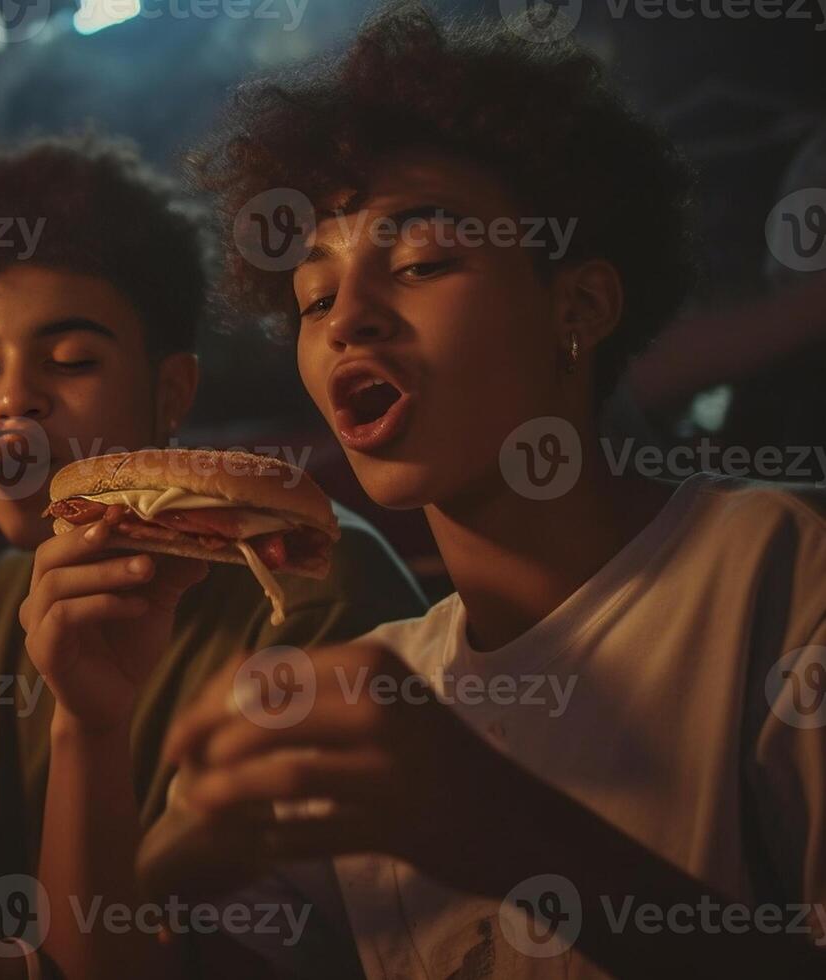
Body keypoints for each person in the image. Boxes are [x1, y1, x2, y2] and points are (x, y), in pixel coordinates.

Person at [166, 4, 826, 977]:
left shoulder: (775, 574)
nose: (348, 317)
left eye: (424, 261)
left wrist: (500, 825)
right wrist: (92, 729)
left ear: (581, 305)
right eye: (312, 297)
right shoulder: (374, 689)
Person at [0, 135, 428, 979]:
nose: (9, 399)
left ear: (171, 394)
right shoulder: (2, 599)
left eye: (71, 360)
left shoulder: (305, 578)